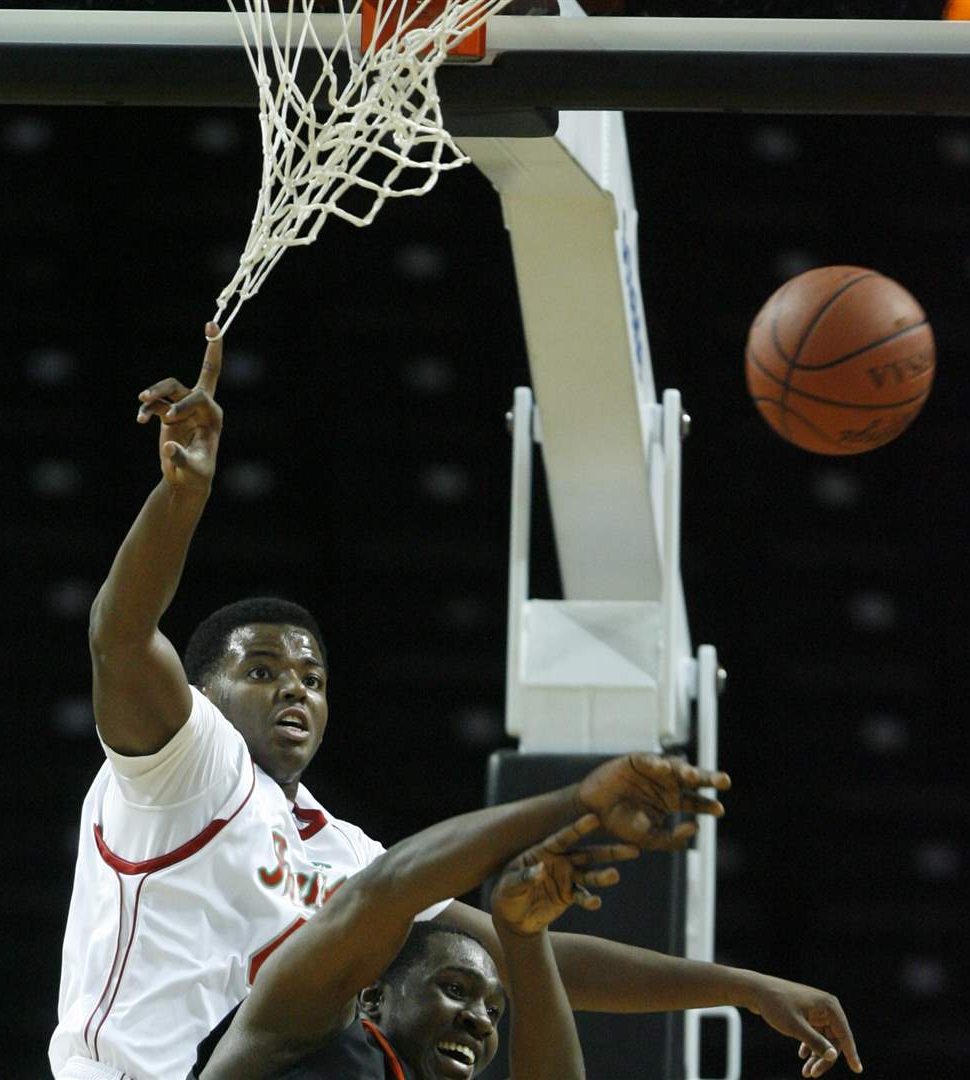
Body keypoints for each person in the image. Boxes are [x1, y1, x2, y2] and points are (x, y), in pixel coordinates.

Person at [50, 325, 861, 1080]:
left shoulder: (344, 849)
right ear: (203, 693)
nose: (295, 685)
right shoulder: (185, 765)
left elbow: (528, 953)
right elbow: (118, 637)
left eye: (314, 677)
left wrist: (744, 987)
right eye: (262, 670)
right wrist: (181, 500)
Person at [193, 793, 644, 1079]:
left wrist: (527, 939)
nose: (481, 1020)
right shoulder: (310, 1030)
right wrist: (575, 802)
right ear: (372, 998)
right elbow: (386, 888)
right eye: (454, 989)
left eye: (494, 1010)